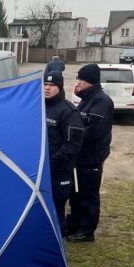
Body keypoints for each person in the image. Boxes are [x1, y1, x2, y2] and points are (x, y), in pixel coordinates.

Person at [66, 63, 114, 242]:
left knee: (87, 194)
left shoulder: (102, 102)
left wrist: (71, 136)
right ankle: (74, 223)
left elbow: (94, 131)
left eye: (82, 80)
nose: (78, 83)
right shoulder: (87, 98)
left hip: (91, 157)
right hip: (80, 156)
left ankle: (86, 230)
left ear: (91, 81)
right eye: (78, 79)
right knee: (75, 193)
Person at [44, 71, 84, 234]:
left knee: (56, 204)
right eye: (45, 84)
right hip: (40, 170)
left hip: (59, 170)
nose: (47, 88)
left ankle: (57, 235)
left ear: (60, 88)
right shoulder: (37, 106)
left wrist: (51, 162)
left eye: (52, 85)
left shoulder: (69, 112)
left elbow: (72, 145)